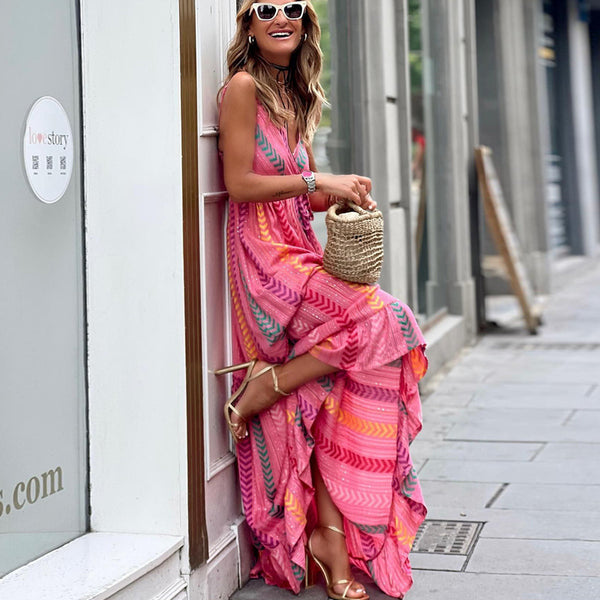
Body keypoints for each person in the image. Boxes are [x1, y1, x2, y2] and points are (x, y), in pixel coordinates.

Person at [216, 2, 428, 598]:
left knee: (336, 383)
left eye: (292, 8)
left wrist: (340, 187)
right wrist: (317, 181)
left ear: (306, 23)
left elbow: (293, 191)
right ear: (250, 25)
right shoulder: (241, 89)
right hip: (263, 257)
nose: (279, 16)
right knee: (385, 318)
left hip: (298, 242)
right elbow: (239, 185)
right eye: (265, 9)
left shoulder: (292, 95)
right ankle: (265, 386)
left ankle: (328, 535)